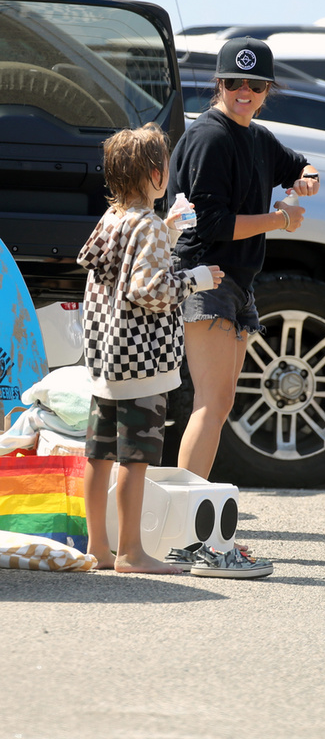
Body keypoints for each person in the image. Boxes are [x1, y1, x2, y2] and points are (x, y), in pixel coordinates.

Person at [167, 37, 320, 482]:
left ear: (267, 91)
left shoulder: (257, 137)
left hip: (236, 282)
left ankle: (193, 519)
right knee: (210, 403)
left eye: (255, 84)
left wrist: (307, 179)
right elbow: (210, 225)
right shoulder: (210, 137)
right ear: (219, 83)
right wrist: (281, 219)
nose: (244, 91)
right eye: (235, 81)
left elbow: (300, 166)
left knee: (220, 404)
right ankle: (186, 525)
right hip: (205, 277)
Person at [78, 123, 225, 574]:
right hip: (142, 363)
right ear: (153, 173)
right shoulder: (149, 229)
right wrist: (197, 278)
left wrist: (168, 229)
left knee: (99, 456)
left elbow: (117, 270)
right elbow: (147, 289)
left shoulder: (115, 219)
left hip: (106, 358)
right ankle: (130, 552)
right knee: (135, 460)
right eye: (164, 163)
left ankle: (97, 548)